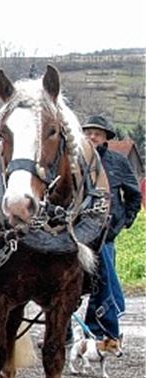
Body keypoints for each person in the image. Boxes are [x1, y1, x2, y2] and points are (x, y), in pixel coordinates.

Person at [81, 115, 141, 344]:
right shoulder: (73, 160)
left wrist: (124, 221)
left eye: (97, 133)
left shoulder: (118, 162)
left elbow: (134, 195)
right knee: (67, 285)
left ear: (106, 137)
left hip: (106, 236)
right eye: (88, 132)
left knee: (104, 283)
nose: (92, 136)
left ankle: (99, 332)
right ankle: (65, 333)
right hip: (76, 234)